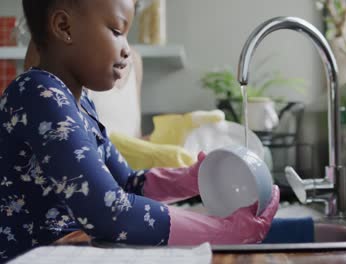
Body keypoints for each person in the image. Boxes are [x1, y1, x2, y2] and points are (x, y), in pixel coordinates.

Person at [0, 0, 280, 261]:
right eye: (116, 31)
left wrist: (196, 178)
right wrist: (225, 231)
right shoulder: (39, 95)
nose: (126, 49)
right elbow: (108, 211)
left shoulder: (79, 104)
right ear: (64, 27)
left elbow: (127, 184)